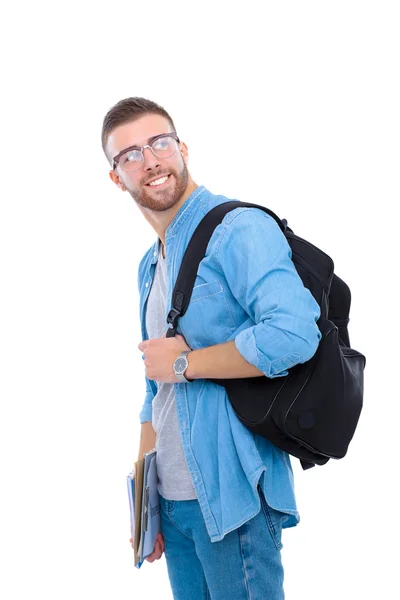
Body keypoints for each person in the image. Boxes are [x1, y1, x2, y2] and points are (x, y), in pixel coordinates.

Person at [101, 97, 322, 599]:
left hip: (231, 499)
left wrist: (185, 363)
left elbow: (294, 334)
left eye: (159, 143)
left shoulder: (238, 229)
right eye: (130, 154)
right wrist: (145, 502)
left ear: (181, 147)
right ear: (118, 178)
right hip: (174, 507)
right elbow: (152, 392)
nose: (150, 160)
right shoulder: (149, 264)